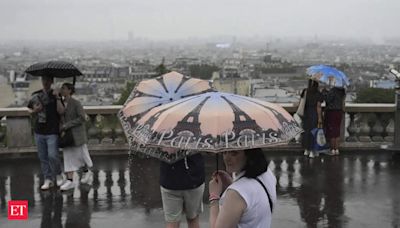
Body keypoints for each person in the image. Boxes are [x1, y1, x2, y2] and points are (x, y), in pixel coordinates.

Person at [208, 148, 276, 228]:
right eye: (224, 152)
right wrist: (232, 184)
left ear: (249, 154)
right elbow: (249, 204)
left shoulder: (236, 193)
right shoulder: (267, 174)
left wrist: (214, 197)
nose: (226, 158)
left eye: (234, 153)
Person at [28, 76, 64, 190]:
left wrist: (58, 97)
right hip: (39, 130)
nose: (45, 82)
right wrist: (35, 110)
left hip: (52, 130)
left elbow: (61, 111)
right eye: (44, 80)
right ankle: (48, 178)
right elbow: (29, 111)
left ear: (51, 82)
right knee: (43, 157)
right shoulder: (36, 95)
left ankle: (58, 174)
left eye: (48, 80)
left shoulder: (55, 95)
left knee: (53, 155)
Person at [58, 83, 93, 191]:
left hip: (76, 134)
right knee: (68, 157)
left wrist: (67, 125)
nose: (61, 90)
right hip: (67, 135)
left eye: (63, 88)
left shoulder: (76, 103)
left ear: (69, 90)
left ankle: (86, 172)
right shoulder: (62, 103)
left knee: (80, 156)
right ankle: (70, 180)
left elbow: (82, 117)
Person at [159, 150, 205, 228]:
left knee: (172, 222)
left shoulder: (163, 137)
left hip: (169, 179)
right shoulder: (194, 137)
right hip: (193, 178)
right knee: (193, 219)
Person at [301, 79, 324, 158]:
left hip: (306, 114)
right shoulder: (317, 93)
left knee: (306, 131)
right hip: (314, 114)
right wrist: (320, 118)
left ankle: (306, 150)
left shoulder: (305, 91)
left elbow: (301, 102)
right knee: (313, 132)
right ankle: (312, 150)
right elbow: (318, 107)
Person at [322, 87, 346, 155]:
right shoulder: (342, 91)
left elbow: (328, 100)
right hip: (339, 112)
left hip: (331, 112)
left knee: (332, 131)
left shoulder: (333, 90)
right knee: (337, 130)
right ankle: (337, 149)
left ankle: (332, 149)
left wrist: (324, 92)